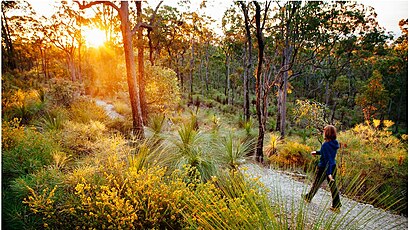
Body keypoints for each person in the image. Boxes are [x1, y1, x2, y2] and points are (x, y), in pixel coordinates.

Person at [302, 125, 342, 213]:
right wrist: (316, 152)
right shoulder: (334, 143)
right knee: (332, 186)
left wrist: (329, 173)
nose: (323, 132)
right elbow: (327, 154)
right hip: (333, 166)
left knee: (317, 183)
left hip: (326, 167)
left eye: (324, 131)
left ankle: (309, 197)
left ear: (327, 133)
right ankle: (336, 205)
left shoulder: (326, 145)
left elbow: (328, 159)